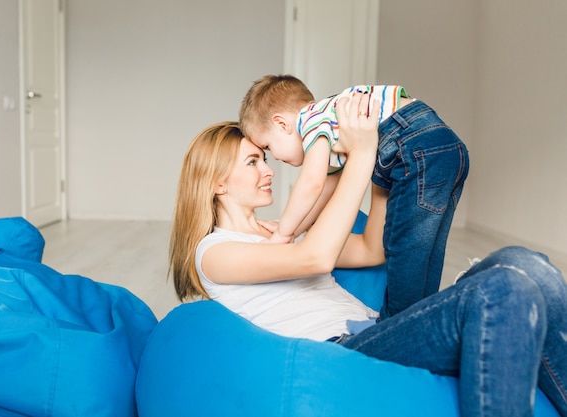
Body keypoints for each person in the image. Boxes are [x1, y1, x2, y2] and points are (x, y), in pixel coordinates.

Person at [169, 94, 567, 417]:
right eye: (253, 162)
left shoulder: (278, 232)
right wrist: (357, 157)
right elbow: (317, 259)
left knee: (530, 264)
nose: (269, 170)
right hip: (342, 352)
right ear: (217, 181)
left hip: (379, 329)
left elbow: (371, 248)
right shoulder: (213, 254)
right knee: (501, 290)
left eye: (266, 159)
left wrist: (380, 163)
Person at [239, 74, 470, 320]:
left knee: (404, 250)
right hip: (443, 145)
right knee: (426, 251)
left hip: (413, 145)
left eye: (268, 148)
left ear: (282, 124)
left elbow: (311, 184)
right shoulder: (332, 128)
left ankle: (394, 324)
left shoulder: (311, 122)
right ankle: (423, 319)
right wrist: (295, 231)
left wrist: (282, 233)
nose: (273, 157)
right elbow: (325, 189)